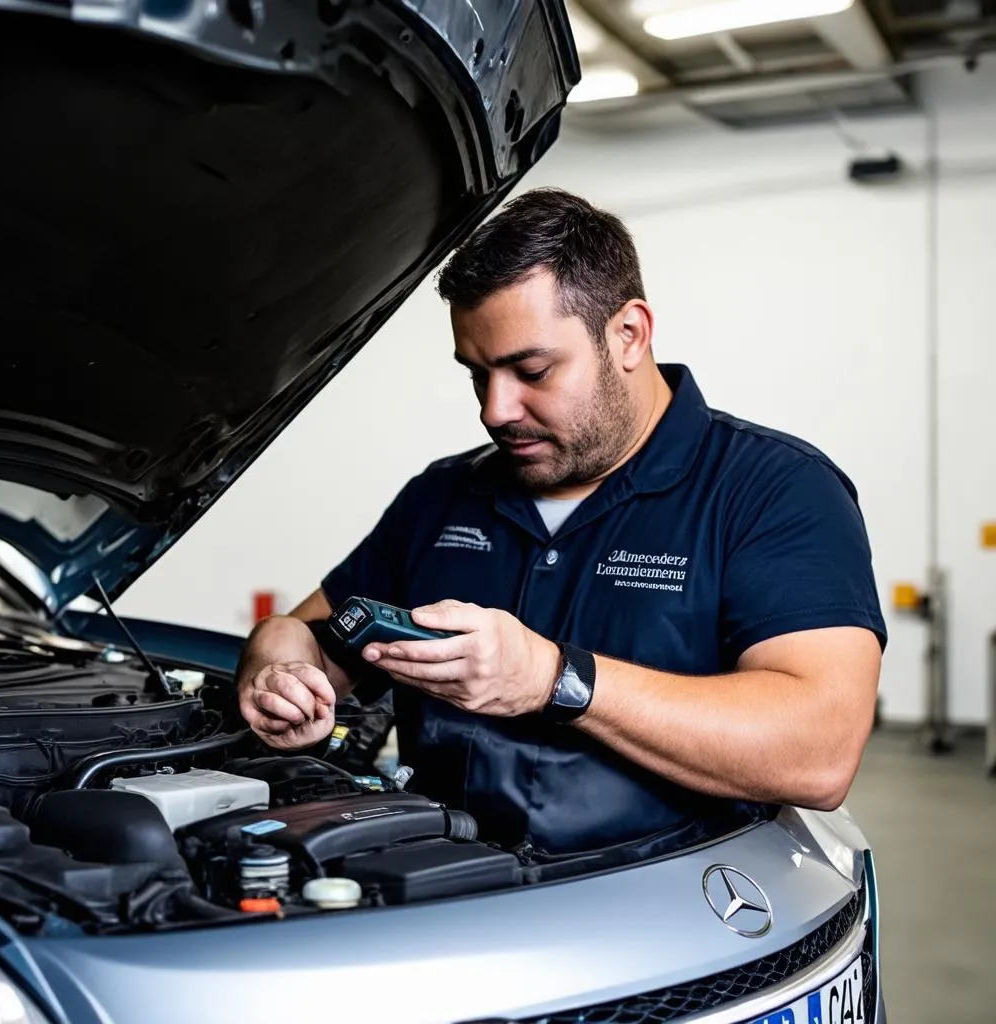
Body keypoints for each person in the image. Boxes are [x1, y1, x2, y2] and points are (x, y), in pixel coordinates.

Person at [235, 188, 887, 855]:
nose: (496, 409)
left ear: (628, 334)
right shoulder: (441, 497)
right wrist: (279, 659)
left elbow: (819, 751)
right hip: (433, 891)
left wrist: (553, 678)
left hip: (667, 917)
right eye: (477, 374)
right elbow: (310, 634)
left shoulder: (773, 490)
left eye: (531, 369)